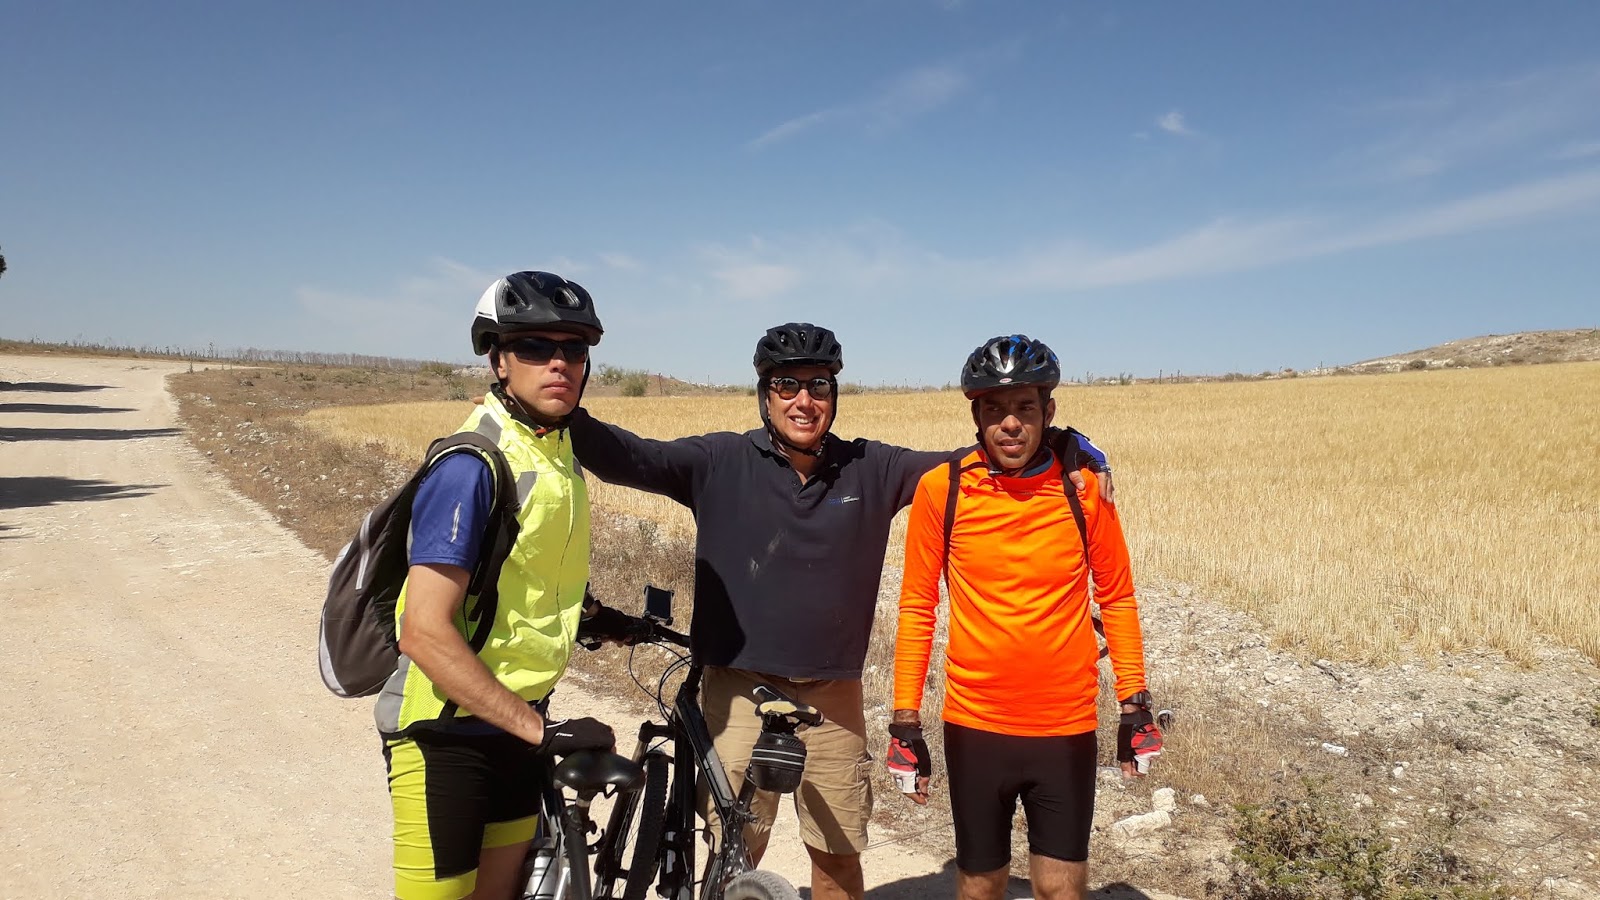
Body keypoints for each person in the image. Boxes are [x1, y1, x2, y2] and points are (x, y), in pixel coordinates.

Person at [567, 324, 1114, 900]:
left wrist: (1065, 444)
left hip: (833, 695)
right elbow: (627, 457)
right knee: (735, 848)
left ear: (833, 395)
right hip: (739, 685)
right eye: (787, 385)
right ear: (765, 394)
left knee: (838, 855)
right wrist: (556, 410)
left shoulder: (869, 468)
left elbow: (979, 457)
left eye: (819, 386)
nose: (804, 400)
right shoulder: (719, 460)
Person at [376, 271, 642, 900]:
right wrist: (541, 732)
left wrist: (594, 617)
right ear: (499, 360)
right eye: (535, 347)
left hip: (517, 727)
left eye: (574, 349)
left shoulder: (556, 454)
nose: (559, 362)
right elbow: (424, 632)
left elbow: (521, 576)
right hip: (443, 734)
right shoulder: (471, 465)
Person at [888, 334, 1163, 900]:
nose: (1009, 423)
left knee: (1061, 888)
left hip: (1064, 726)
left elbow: (1117, 597)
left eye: (1024, 408)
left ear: (1048, 412)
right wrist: (905, 721)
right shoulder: (943, 490)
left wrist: (1134, 705)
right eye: (994, 409)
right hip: (975, 724)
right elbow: (917, 605)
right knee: (980, 886)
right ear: (976, 416)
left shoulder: (1084, 490)